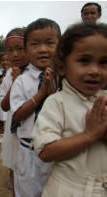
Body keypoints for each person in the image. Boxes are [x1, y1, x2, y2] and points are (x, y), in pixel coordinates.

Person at [33, 22, 107, 197]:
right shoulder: (57, 103)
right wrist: (90, 135)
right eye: (84, 61)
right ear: (62, 67)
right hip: (68, 189)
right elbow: (45, 151)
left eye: (104, 62)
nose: (95, 70)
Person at [10, 18, 60, 197]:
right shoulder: (22, 81)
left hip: (58, 153)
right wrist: (42, 94)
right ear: (26, 50)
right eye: (35, 44)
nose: (43, 49)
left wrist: (53, 94)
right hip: (29, 152)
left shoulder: (65, 78)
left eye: (50, 43)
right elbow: (17, 115)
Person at [0, 27, 29, 195]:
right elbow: (4, 105)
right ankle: (12, 174)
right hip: (13, 122)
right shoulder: (9, 74)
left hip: (30, 125)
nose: (15, 54)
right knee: (13, 152)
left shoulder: (37, 73)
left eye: (21, 48)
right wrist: (15, 84)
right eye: (10, 50)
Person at [0, 52, 10, 143]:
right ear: (0, 62)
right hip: (0, 96)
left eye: (7, 60)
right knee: (0, 117)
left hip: (9, 96)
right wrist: (3, 77)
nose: (5, 62)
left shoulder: (13, 71)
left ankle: (8, 134)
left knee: (8, 117)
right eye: (3, 60)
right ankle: (1, 134)